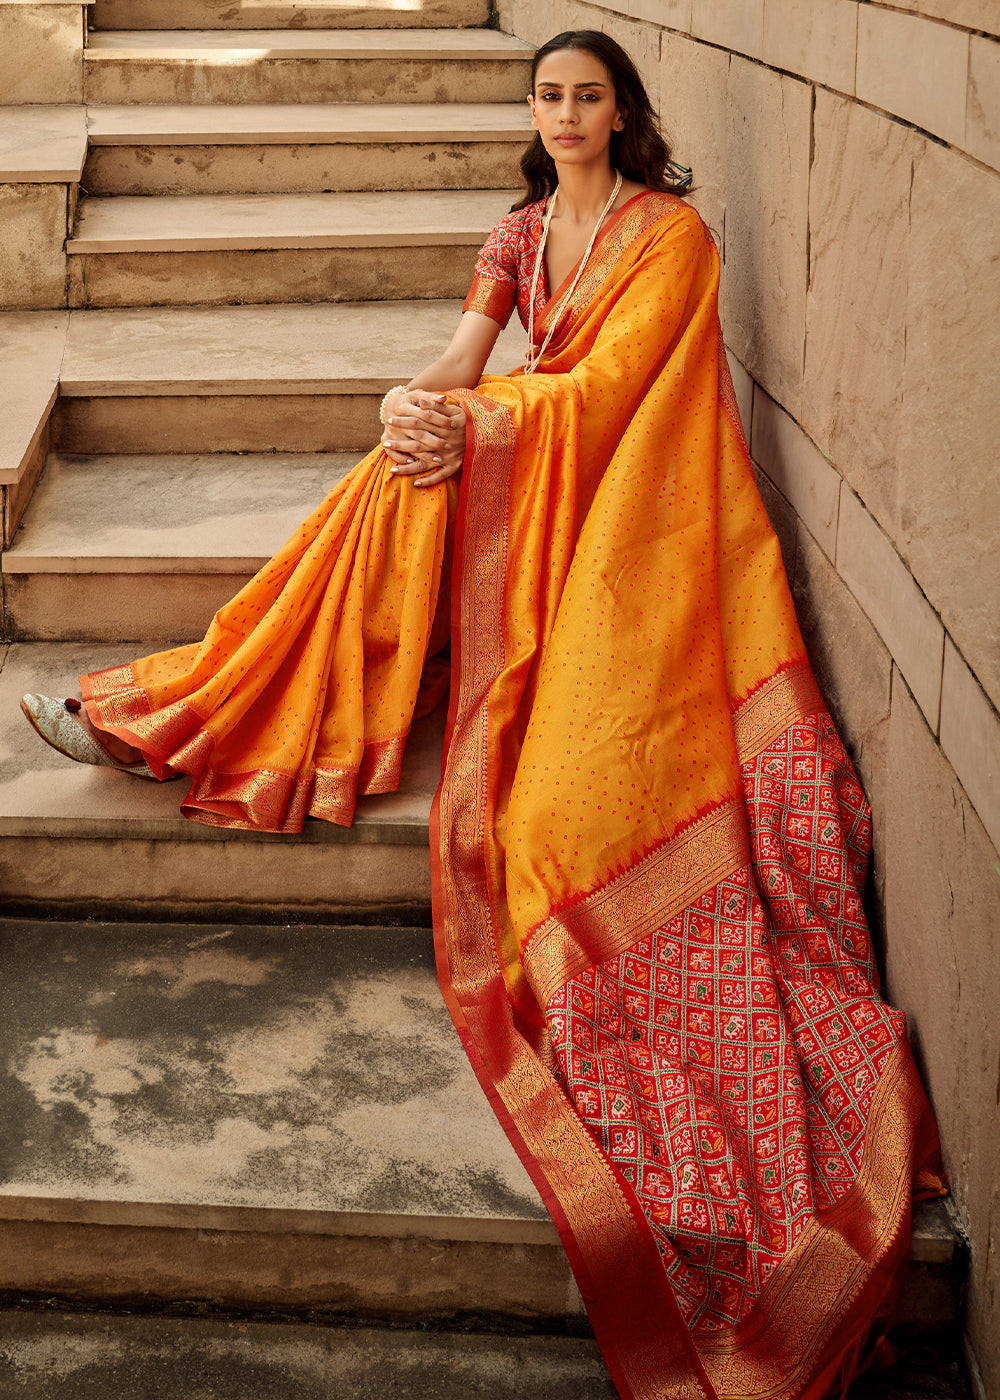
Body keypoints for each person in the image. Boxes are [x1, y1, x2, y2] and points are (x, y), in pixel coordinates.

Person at [21, 30, 942, 1400]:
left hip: (647, 523)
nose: (567, 113)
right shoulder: (519, 232)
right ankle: (204, 706)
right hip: (548, 476)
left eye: (589, 96)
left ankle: (201, 708)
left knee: (558, 792)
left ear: (625, 112)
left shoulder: (669, 239)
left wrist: (482, 428)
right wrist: (418, 406)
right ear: (535, 111)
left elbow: (620, 401)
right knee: (390, 476)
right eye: (551, 95)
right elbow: (468, 356)